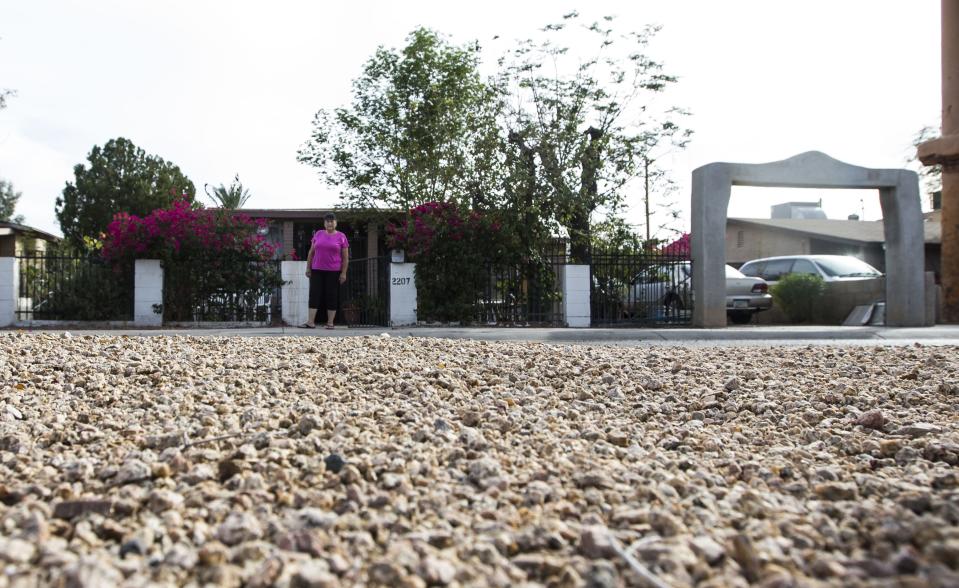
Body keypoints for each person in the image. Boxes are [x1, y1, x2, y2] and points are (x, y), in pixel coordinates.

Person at [300, 213, 349, 329]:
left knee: (331, 295)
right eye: (327, 221)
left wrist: (343, 273)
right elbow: (311, 253)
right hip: (317, 269)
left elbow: (346, 258)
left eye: (332, 221)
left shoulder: (341, 236)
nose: (329, 223)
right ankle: (310, 322)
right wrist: (308, 267)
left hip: (333, 271)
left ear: (336, 223)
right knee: (314, 295)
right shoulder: (318, 234)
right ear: (324, 223)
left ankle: (330, 323)